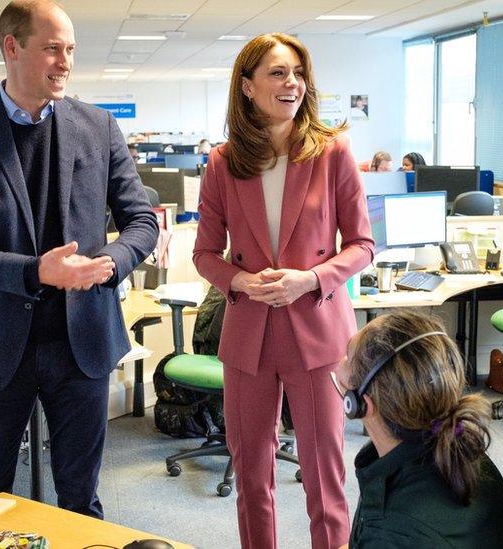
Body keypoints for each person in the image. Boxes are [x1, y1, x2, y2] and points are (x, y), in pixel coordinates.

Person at [0, 0, 158, 517]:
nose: (65, 62)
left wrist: (110, 264)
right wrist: (37, 272)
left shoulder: (98, 128)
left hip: (82, 343)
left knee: (80, 497)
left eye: (70, 49)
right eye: (52, 48)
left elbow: (141, 222)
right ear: (12, 48)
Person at [193, 32, 373, 549]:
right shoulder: (224, 162)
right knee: (252, 476)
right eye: (277, 72)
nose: (291, 82)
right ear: (247, 87)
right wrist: (241, 280)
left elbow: (361, 244)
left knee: (324, 476)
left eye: (297, 72)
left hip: (317, 332)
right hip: (249, 335)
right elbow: (205, 254)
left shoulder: (332, 151)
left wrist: (311, 279)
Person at [337, 310, 503, 548]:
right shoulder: (457, 444)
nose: (339, 364)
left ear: (361, 403)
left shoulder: (395, 530)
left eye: (347, 356)